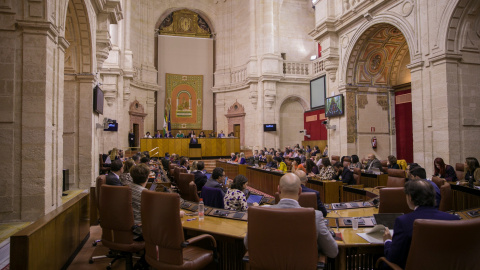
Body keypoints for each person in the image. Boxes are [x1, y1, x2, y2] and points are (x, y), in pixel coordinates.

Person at [244, 173, 338, 258]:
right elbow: (333, 251)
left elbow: (247, 244)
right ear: (300, 191)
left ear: (278, 190)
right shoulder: (315, 216)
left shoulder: (260, 213)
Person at [382, 179, 460, 269]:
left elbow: (393, 257)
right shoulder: (454, 219)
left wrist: (387, 241)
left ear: (410, 197)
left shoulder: (403, 221)